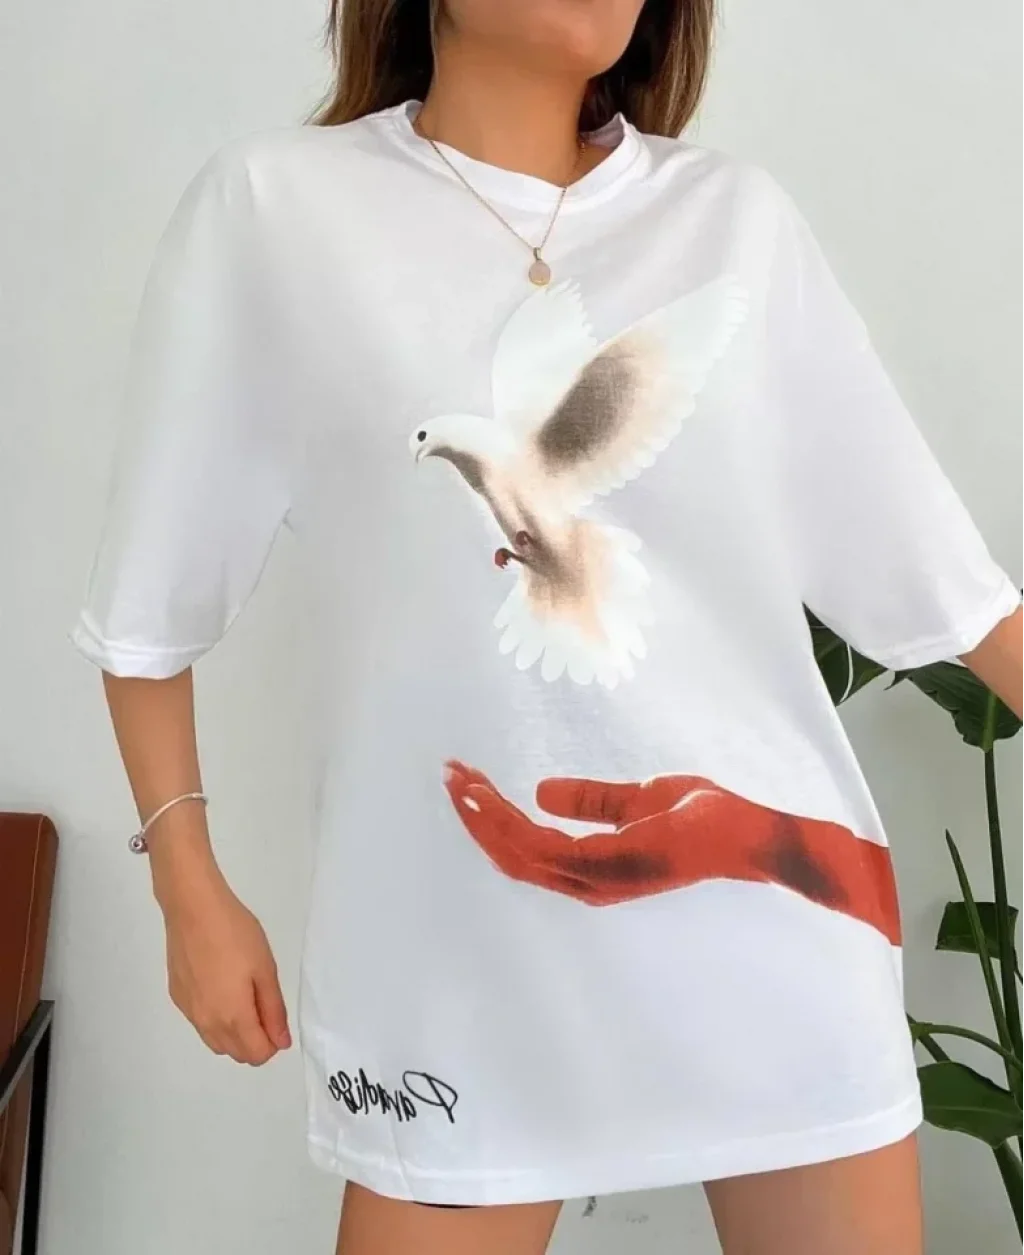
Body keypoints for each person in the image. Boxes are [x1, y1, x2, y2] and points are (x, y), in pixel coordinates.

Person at [71, 1, 1024, 1252]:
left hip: (768, 923)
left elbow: (937, 574)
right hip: (454, 965)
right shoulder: (277, 211)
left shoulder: (732, 219)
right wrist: (187, 885)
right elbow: (149, 605)